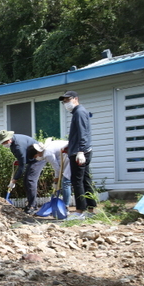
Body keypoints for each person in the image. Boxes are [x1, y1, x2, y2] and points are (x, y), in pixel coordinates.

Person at [59, 91, 96, 220]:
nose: (66, 103)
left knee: (77, 181)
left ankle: (80, 211)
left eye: (68, 100)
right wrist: (69, 146)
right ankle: (91, 209)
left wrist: (80, 151)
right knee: (86, 180)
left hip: (81, 153)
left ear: (75, 99)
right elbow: (77, 135)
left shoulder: (79, 112)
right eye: (64, 101)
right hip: (81, 150)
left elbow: (83, 133)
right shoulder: (78, 112)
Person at [0, 130, 42, 215]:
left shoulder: (18, 146)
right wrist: (20, 160)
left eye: (4, 142)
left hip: (38, 157)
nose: (3, 144)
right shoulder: (13, 143)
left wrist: (14, 180)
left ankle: (32, 207)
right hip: (31, 159)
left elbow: (22, 166)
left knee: (30, 180)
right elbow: (22, 159)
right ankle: (31, 204)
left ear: (9, 139)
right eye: (2, 142)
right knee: (26, 181)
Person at [32, 138, 72, 206]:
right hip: (68, 156)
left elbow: (57, 168)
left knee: (65, 183)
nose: (37, 158)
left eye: (35, 156)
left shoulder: (47, 154)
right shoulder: (47, 147)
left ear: (38, 152)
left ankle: (66, 206)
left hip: (70, 157)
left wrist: (56, 178)